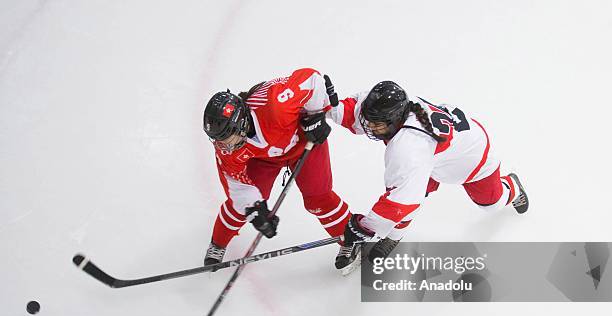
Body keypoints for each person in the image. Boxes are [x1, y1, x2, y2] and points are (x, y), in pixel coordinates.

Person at [327, 81, 529, 269]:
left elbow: (400, 202)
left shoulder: (409, 148)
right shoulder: (399, 108)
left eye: (376, 124)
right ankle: (395, 235)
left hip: (471, 158)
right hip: (437, 153)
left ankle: (512, 187)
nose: (370, 127)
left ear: (395, 119)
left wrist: (364, 228)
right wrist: (324, 110)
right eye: (369, 120)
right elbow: (356, 109)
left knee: (492, 203)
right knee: (413, 191)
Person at [202, 68, 351, 268]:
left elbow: (311, 79)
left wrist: (315, 116)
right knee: (238, 208)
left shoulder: (275, 105)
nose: (225, 147)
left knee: (318, 198)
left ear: (241, 123)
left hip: (305, 143)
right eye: (219, 141)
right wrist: (254, 207)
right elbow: (236, 183)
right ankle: (217, 244)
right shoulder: (227, 149)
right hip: (265, 159)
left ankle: (351, 240)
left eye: (228, 139)